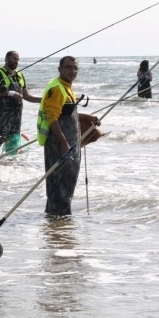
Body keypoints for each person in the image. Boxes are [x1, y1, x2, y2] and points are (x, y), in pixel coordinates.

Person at [37, 56, 98, 216]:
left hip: (69, 144)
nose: (73, 71)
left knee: (66, 186)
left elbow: (66, 113)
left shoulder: (66, 87)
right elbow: (52, 118)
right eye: (69, 67)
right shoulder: (56, 88)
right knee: (60, 186)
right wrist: (64, 143)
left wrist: (87, 117)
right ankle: (59, 225)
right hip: (59, 145)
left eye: (75, 68)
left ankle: (56, 222)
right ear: (60, 69)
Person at [0, 50, 40, 156]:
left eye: (17, 59)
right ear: (6, 59)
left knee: (13, 140)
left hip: (17, 115)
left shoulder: (20, 75)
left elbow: (27, 96)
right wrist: (10, 93)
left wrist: (43, 99)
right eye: (14, 59)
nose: (16, 61)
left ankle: (10, 165)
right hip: (3, 114)